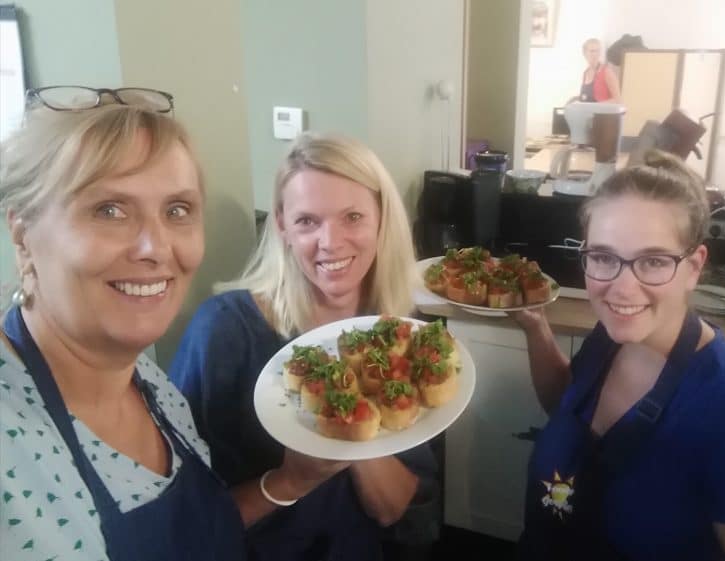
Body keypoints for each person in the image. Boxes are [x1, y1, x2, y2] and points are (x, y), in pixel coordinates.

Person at [0, 88, 247, 560]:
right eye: (109, 210)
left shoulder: (154, 388)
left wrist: (293, 481)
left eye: (177, 211)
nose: (155, 247)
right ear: (23, 234)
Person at [169, 132, 439, 561]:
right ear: (282, 226)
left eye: (353, 216)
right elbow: (177, 523)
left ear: (382, 219)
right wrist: (289, 481)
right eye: (308, 221)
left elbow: (396, 509)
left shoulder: (391, 334)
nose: (330, 242)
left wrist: (349, 418)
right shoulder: (223, 331)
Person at [513, 150, 725, 561]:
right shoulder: (610, 336)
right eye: (603, 257)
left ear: (694, 267)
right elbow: (565, 407)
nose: (622, 288)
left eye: (652, 261)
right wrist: (536, 327)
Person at [568, 38, 621, 104]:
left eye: (597, 51)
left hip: (600, 111)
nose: (595, 54)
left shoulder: (607, 72)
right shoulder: (586, 73)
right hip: (587, 110)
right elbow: (587, 97)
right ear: (584, 53)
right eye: (592, 51)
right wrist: (575, 99)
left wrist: (595, 106)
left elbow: (618, 100)